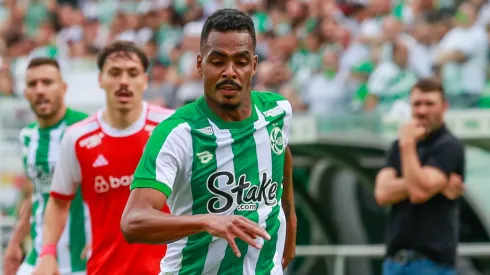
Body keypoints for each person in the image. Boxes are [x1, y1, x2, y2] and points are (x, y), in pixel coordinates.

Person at [120, 8, 297, 275]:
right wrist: (205, 221)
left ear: (255, 65)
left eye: (241, 61)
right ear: (200, 64)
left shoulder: (278, 111)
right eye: (218, 61)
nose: (230, 71)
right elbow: (133, 222)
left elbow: (282, 153)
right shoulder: (177, 133)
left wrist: (291, 222)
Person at [32, 41, 174, 275]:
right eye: (115, 73)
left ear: (145, 81)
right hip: (105, 267)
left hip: (168, 269)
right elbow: (58, 201)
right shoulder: (77, 137)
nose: (124, 81)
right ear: (101, 79)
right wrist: (47, 253)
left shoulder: (170, 127)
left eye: (133, 73)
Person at [3, 57, 89, 275]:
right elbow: (36, 193)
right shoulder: (27, 137)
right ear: (25, 93)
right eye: (33, 84)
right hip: (39, 257)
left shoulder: (86, 131)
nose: (40, 90)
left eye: (47, 82)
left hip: (82, 261)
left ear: (63, 88)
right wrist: (15, 242)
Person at [374, 78, 466, 275]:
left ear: (444, 106)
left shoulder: (449, 145)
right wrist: (433, 182)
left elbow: (418, 193)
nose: (422, 111)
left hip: (433, 265)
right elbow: (382, 193)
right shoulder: (396, 146)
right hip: (394, 263)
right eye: (417, 104)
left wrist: (407, 145)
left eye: (429, 104)